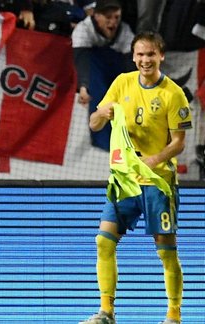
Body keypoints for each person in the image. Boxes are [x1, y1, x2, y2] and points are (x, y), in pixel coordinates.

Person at [80, 31, 193, 324]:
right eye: (140, 54)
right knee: (103, 241)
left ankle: (173, 316)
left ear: (161, 57)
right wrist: (101, 112)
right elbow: (94, 124)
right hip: (124, 181)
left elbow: (179, 142)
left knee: (166, 250)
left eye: (151, 54)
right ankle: (106, 313)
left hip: (159, 183)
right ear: (133, 56)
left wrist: (153, 161)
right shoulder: (122, 83)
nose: (145, 60)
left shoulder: (173, 93)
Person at [71, 0, 135, 151]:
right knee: (99, 96)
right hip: (94, 64)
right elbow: (82, 60)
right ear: (96, 16)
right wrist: (83, 87)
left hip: (117, 64)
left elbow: (131, 67)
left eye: (116, 17)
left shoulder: (126, 32)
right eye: (108, 17)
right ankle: (104, 144)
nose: (113, 22)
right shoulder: (83, 30)